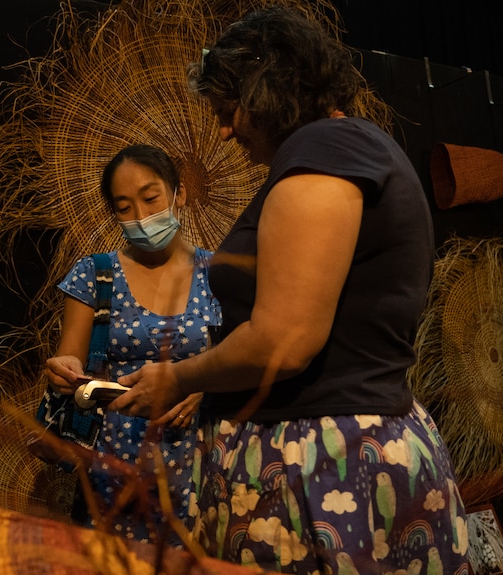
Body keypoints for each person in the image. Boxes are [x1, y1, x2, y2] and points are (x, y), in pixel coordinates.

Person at [109, 7, 470, 574]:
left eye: (230, 112)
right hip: (332, 450)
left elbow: (286, 338)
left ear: (267, 90)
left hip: (327, 465)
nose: (226, 132)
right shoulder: (346, 150)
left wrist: (178, 377)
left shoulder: (326, 152)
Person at [43, 143, 221, 545]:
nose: (141, 217)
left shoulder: (220, 275)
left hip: (201, 466)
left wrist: (202, 385)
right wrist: (64, 370)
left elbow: (247, 358)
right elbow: (71, 357)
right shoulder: (95, 274)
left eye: (150, 198)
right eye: (124, 207)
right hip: (114, 469)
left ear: (179, 194)